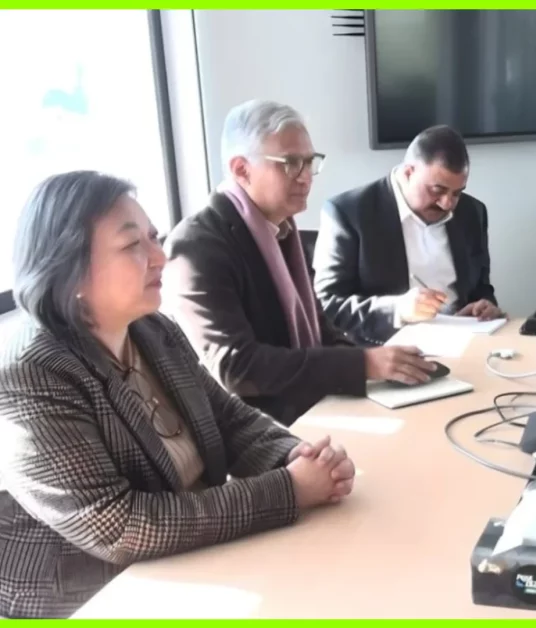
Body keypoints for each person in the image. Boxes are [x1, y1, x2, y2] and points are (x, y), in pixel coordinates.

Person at [0, 171, 357, 618]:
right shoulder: (29, 373)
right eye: (132, 245)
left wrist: (295, 455)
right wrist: (289, 489)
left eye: (154, 237)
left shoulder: (152, 328)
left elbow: (227, 417)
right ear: (68, 269)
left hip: (190, 559)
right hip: (91, 593)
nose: (160, 257)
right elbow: (119, 526)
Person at [163, 100, 437, 426]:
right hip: (259, 430)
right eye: (291, 163)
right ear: (241, 169)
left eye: (309, 162)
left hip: (318, 407)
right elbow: (238, 367)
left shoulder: (283, 231)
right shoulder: (197, 246)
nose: (306, 177)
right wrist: (363, 365)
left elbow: (322, 330)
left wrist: (383, 365)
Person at [313, 124, 501, 345]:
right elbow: (328, 304)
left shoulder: (472, 212)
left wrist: (484, 305)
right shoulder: (348, 213)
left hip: (464, 343)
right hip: (385, 348)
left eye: (457, 193)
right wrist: (397, 310)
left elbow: (481, 287)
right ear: (408, 172)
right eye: (437, 190)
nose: (448, 203)